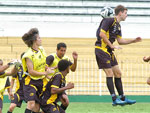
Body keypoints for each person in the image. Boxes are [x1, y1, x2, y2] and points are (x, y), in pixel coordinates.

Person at [95, 5, 142, 106]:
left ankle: (123, 98)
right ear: (120, 13)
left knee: (118, 73)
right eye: (125, 13)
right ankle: (114, 99)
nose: (126, 15)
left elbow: (120, 41)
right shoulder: (109, 20)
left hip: (108, 51)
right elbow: (102, 35)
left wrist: (133, 41)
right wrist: (112, 45)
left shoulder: (118, 25)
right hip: (101, 50)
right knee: (109, 73)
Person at [21, 28, 53, 113]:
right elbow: (31, 72)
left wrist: (47, 69)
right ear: (35, 40)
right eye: (39, 38)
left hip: (41, 81)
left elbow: (43, 63)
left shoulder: (41, 49)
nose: (41, 39)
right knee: (31, 104)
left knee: (37, 108)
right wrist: (45, 73)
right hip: (30, 81)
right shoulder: (28, 55)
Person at [46, 42, 78, 110]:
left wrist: (75, 60)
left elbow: (73, 69)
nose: (63, 52)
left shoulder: (66, 59)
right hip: (49, 84)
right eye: (61, 50)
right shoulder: (51, 57)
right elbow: (44, 68)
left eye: (64, 51)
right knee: (48, 103)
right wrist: (55, 67)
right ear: (57, 50)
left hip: (59, 84)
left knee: (65, 102)